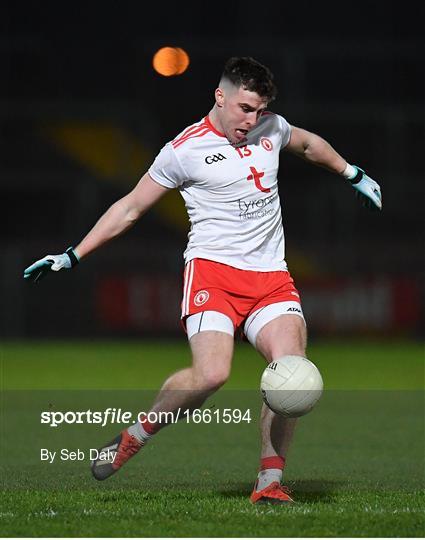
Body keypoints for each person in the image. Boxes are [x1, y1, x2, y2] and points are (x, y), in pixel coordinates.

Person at [24, 57, 382, 504]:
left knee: (291, 372)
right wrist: (73, 254)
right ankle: (135, 435)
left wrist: (353, 174)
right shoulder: (184, 150)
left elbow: (308, 144)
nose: (252, 120)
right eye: (245, 109)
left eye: (259, 110)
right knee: (212, 374)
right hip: (212, 272)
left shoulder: (271, 127)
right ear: (220, 97)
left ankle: (268, 483)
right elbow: (132, 206)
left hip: (270, 276)